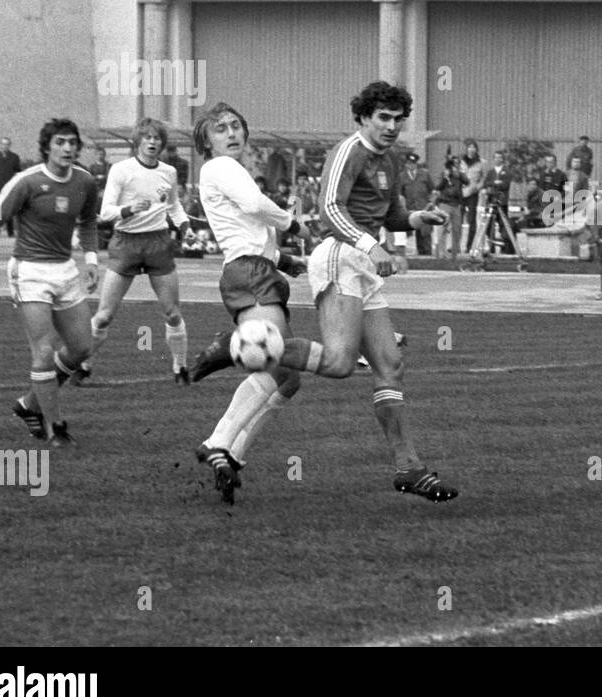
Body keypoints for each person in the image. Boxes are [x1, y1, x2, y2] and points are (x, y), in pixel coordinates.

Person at [192, 85, 457, 503]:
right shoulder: (348, 152)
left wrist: (416, 218)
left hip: (356, 264)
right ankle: (241, 348)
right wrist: (369, 244)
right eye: (382, 118)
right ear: (363, 118)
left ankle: (409, 468)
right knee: (338, 363)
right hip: (341, 258)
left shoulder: (389, 159)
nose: (391, 126)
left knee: (390, 365)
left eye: (397, 118)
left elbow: (388, 215)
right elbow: (331, 209)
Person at [185, 102, 314, 502]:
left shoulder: (227, 170)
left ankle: (232, 457)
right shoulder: (220, 167)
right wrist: (294, 224)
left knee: (288, 379)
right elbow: (256, 208)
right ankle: (219, 440)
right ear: (206, 141)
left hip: (256, 269)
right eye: (220, 128)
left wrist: (285, 260)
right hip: (249, 274)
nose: (232, 132)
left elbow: (245, 231)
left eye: (236, 125)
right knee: (274, 359)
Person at [0, 119, 99, 445]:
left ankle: (29, 405)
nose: (68, 148)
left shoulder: (85, 181)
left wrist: (92, 261)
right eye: (60, 142)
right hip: (29, 272)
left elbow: (87, 223)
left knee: (82, 348)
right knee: (43, 352)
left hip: (66, 271)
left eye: (72, 142)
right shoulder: (26, 182)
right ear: (47, 147)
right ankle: (56, 428)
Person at [88, 118, 192, 385]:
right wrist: (129, 209)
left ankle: (180, 367)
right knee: (103, 317)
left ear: (162, 144)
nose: (152, 142)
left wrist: (185, 227)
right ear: (138, 141)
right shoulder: (121, 170)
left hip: (158, 244)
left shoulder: (168, 172)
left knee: (173, 313)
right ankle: (82, 363)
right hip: (126, 244)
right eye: (147, 137)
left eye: (157, 138)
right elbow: (106, 212)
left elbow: (174, 206)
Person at [398, 152, 435, 255]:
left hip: (424, 208)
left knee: (425, 233)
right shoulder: (402, 176)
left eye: (413, 163)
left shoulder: (424, 174)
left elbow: (433, 190)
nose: (411, 165)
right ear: (406, 164)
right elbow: (400, 194)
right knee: (411, 233)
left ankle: (427, 255)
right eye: (409, 163)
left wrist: (431, 203)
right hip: (410, 209)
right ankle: (418, 253)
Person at [0, 137, 22, 236]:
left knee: (9, 209)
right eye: (3, 144)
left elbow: (18, 171)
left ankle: (10, 232)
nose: (4, 146)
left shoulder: (14, 157)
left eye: (7, 144)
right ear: (0, 145)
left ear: (9, 146)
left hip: (9, 188)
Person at [432, 156, 465, 257]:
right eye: (454, 164)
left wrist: (458, 175)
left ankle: (454, 253)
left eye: (457, 164)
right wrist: (445, 178)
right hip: (445, 204)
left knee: (457, 230)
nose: (456, 166)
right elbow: (437, 187)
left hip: (456, 205)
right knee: (442, 229)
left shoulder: (460, 176)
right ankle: (441, 253)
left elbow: (467, 182)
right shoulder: (444, 175)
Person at [460, 140, 484, 252]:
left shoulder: (481, 163)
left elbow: (483, 178)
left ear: (476, 149)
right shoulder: (460, 161)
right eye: (469, 147)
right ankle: (456, 246)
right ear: (466, 149)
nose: (471, 149)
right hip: (460, 193)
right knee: (457, 220)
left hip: (473, 194)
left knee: (471, 220)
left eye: (473, 147)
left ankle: (469, 246)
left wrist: (477, 187)